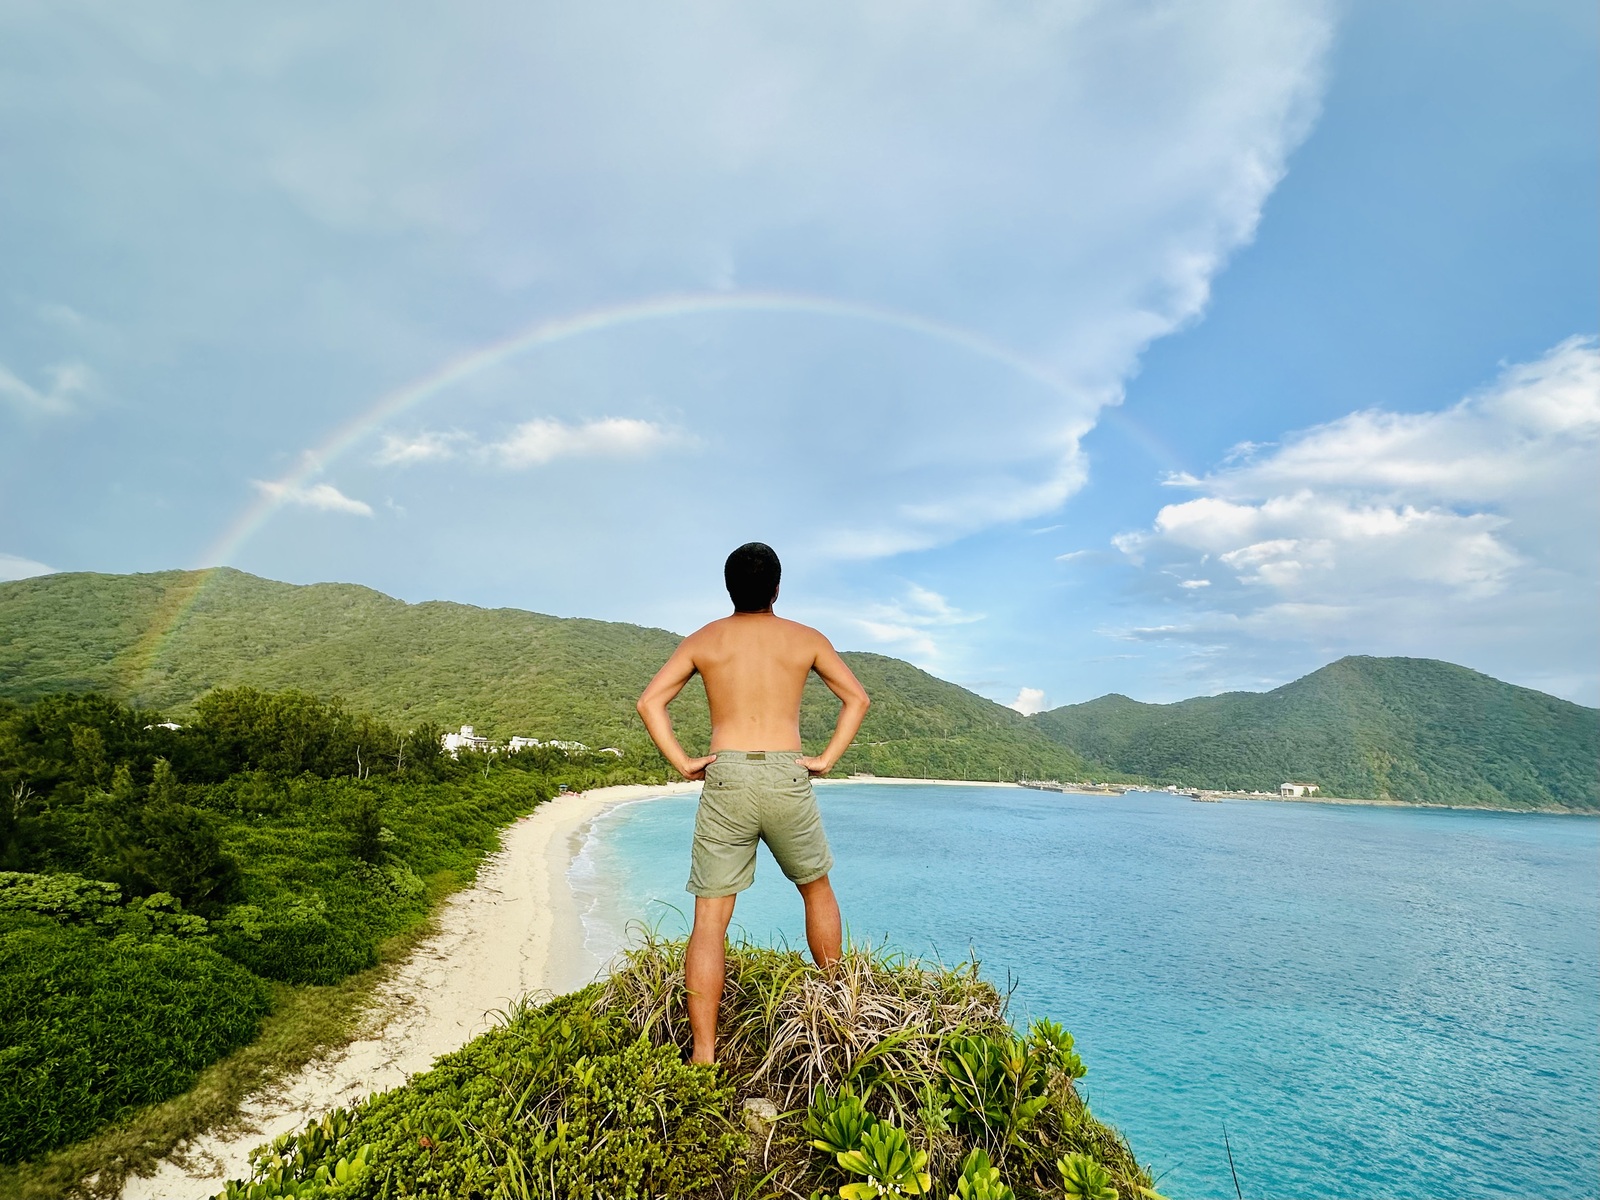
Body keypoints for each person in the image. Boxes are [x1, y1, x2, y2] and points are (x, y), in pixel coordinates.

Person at [636, 542, 871, 1064]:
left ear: (729, 588)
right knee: (817, 891)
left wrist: (683, 762)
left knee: (709, 920)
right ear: (777, 588)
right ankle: (839, 1015)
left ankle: (703, 1054)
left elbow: (650, 701)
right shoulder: (806, 639)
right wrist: (827, 758)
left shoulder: (704, 640)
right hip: (788, 773)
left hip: (726, 776)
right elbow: (857, 698)